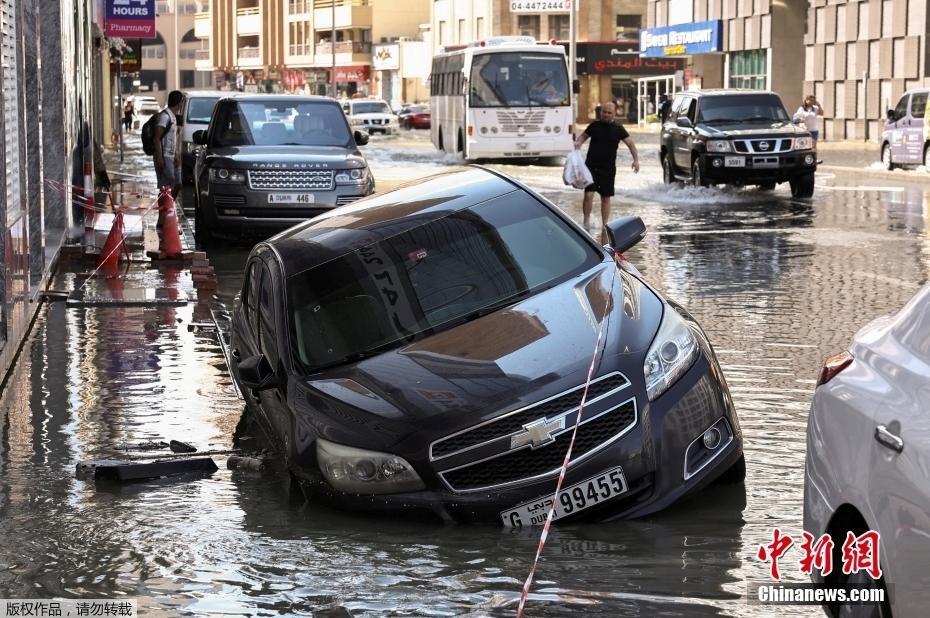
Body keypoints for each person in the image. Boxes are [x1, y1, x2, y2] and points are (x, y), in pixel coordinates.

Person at [573, 101, 640, 232]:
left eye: (609, 113)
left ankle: (605, 225)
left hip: (608, 169)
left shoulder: (618, 129)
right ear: (601, 112)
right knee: (588, 195)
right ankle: (586, 222)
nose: (606, 115)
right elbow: (582, 138)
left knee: (605, 198)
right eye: (604, 112)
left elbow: (630, 144)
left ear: (614, 114)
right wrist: (577, 145)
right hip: (591, 166)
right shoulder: (594, 126)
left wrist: (636, 160)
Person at [153, 90, 184, 198]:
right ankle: (164, 210)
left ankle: (170, 206)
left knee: (178, 184)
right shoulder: (164, 117)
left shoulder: (173, 117)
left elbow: (172, 139)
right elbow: (156, 138)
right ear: (179, 103)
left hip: (171, 156)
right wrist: (160, 158)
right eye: (181, 102)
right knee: (167, 186)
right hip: (164, 156)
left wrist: (175, 154)